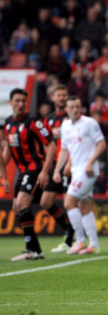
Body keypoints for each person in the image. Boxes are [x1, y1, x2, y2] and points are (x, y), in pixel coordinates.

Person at [52, 95, 106, 255]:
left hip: (88, 170)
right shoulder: (65, 126)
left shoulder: (89, 123)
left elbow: (102, 144)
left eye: (78, 106)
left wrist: (91, 162)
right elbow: (64, 150)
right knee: (84, 207)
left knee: (69, 203)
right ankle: (94, 245)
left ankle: (80, 241)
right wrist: (58, 169)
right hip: (76, 171)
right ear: (66, 109)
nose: (75, 110)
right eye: (72, 107)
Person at [4, 88, 53, 261]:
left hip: (35, 168)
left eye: (23, 101)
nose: (20, 104)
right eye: (17, 101)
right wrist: (4, 176)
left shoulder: (33, 121)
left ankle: (33, 250)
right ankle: (33, 249)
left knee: (22, 203)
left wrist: (45, 171)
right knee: (17, 207)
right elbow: (7, 151)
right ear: (10, 102)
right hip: (22, 172)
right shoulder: (8, 123)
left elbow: (51, 145)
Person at [41, 84, 76, 254]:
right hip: (55, 164)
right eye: (59, 95)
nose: (61, 98)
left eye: (64, 95)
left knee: (67, 202)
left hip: (70, 164)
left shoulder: (72, 118)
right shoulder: (49, 120)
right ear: (53, 97)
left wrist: (69, 162)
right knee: (45, 201)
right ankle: (71, 230)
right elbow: (47, 144)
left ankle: (69, 238)